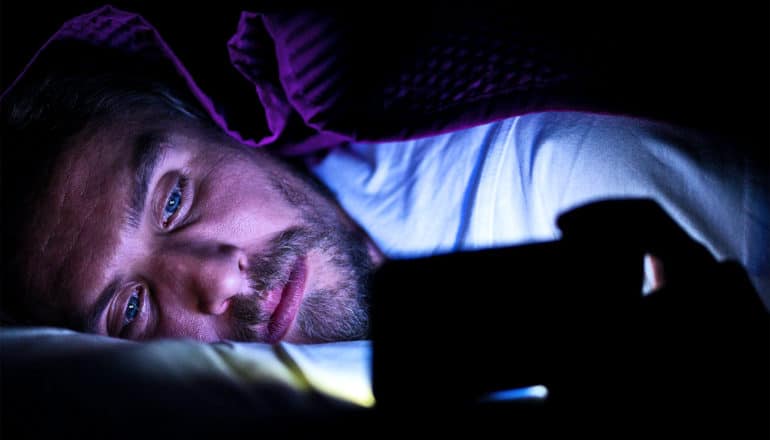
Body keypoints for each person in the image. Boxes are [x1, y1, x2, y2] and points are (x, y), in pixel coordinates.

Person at [1, 7, 768, 348]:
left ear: (222, 126)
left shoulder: (558, 170)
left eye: (173, 197)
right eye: (131, 307)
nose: (212, 280)